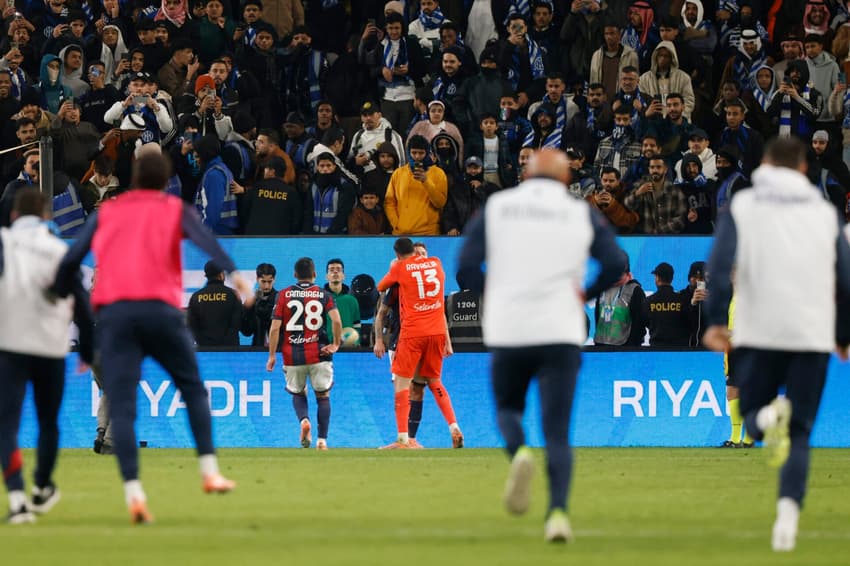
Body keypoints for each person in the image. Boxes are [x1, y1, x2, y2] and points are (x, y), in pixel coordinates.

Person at [51, 152, 254, 524]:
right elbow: (206, 241)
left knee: (123, 404)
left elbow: (71, 260)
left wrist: (71, 309)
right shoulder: (172, 208)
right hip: (160, 312)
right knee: (192, 389)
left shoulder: (107, 211)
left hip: (115, 317)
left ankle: (134, 493)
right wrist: (235, 274)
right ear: (164, 180)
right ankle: (209, 471)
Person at [456, 149, 625, 542]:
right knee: (558, 432)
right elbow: (616, 262)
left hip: (510, 329)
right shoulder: (579, 212)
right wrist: (585, 293)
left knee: (508, 409)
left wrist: (494, 293)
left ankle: (518, 453)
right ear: (566, 179)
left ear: (526, 174)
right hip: (560, 330)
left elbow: (465, 267)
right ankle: (558, 515)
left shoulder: (498, 207)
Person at [703, 137, 850, 552]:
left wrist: (715, 321)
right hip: (811, 332)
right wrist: (842, 333)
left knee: (751, 417)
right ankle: (787, 518)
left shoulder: (743, 206)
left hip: (757, 331)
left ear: (764, 165)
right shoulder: (823, 213)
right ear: (804, 169)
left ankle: (768, 418)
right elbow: (844, 276)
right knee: (800, 433)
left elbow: (718, 266)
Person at [0, 189, 93, 524]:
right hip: (50, 348)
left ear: (13, 216)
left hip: (9, 345)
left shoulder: (4, 243)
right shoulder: (59, 251)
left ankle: (16, 497)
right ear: (47, 218)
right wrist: (88, 348)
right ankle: (42, 486)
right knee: (48, 422)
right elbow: (82, 302)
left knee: (5, 425)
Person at [377, 238, 463, 450]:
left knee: (401, 384)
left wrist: (396, 268)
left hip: (413, 333)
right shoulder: (436, 262)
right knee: (434, 381)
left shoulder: (401, 268)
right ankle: (453, 426)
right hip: (436, 332)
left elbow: (380, 286)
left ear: (397, 255)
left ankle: (403, 439)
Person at [266, 257, 341, 451]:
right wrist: (335, 344)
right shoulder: (324, 295)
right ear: (315, 275)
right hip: (319, 353)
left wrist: (272, 355)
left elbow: (275, 328)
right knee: (323, 395)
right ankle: (322, 441)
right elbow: (337, 321)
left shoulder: (283, 295)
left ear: (295, 275)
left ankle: (304, 421)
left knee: (298, 392)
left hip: (292, 355)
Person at [594, 257, 647, 348]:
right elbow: (597, 317)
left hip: (625, 348)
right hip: (601, 347)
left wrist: (632, 346)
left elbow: (639, 323)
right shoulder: (603, 289)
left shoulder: (635, 290)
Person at [187, 260, 244, 346]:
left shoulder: (195, 297)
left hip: (205, 351)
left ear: (206, 276)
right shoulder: (233, 295)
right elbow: (237, 323)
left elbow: (192, 327)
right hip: (230, 351)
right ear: (221, 274)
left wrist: (204, 344)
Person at [644, 262, 689, 348]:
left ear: (657, 278)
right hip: (679, 350)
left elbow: (644, 322)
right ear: (672, 279)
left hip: (656, 348)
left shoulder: (648, 301)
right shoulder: (682, 299)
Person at [324, 259, 361, 346]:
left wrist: (356, 342)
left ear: (343, 276)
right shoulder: (320, 298)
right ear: (327, 276)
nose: (335, 272)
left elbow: (357, 325)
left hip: (348, 348)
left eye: (338, 270)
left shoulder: (352, 300)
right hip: (326, 347)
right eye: (332, 270)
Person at [241, 263, 278, 347]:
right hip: (257, 349)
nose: (266, 286)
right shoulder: (251, 300)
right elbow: (246, 332)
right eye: (263, 281)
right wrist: (247, 309)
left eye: (269, 281)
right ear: (257, 279)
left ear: (274, 279)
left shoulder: (280, 299)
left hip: (277, 349)